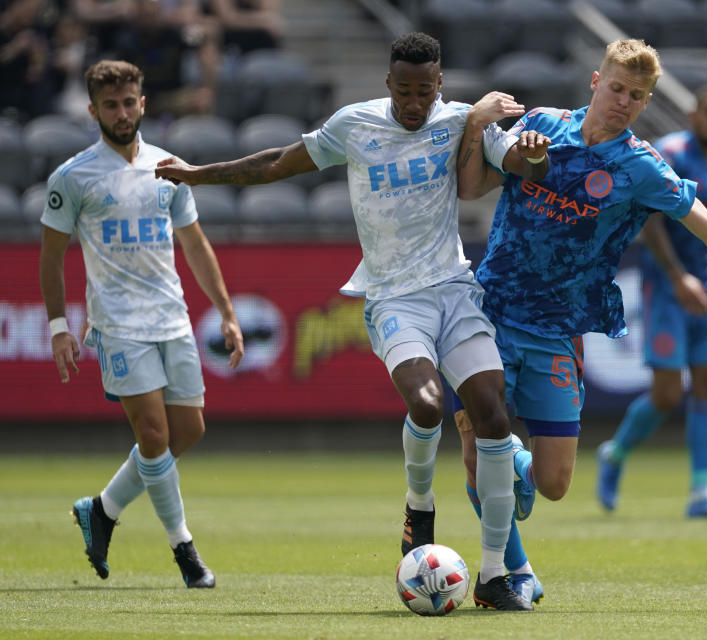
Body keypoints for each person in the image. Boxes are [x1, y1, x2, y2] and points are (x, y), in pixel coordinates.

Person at [154, 32, 551, 611]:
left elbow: (521, 166)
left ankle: (494, 577)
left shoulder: (463, 121)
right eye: (405, 91)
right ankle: (420, 505)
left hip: (454, 290)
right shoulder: (355, 125)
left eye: (425, 91)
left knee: (493, 414)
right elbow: (275, 163)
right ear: (389, 84)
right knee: (426, 404)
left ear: (439, 86)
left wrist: (534, 153)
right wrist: (198, 173)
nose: (414, 103)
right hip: (393, 297)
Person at [454, 39, 707, 603]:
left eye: (637, 96)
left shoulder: (641, 166)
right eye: (617, 88)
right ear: (596, 82)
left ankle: (512, 469)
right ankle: (514, 569)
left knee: (550, 484)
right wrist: (486, 130)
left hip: (557, 331)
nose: (623, 101)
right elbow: (471, 184)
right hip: (489, 315)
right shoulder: (541, 126)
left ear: (646, 103)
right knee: (478, 445)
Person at [38, 59, 245, 588]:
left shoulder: (169, 167)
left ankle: (102, 509)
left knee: (188, 430)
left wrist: (224, 310)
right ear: (93, 111)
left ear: (143, 103)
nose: (122, 112)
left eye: (129, 102)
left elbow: (194, 244)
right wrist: (60, 325)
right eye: (111, 105)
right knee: (153, 436)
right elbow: (51, 255)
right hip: (118, 323)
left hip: (171, 318)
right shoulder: (74, 175)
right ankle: (185, 552)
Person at [596, 84, 707, 519]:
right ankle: (615, 453)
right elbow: (652, 222)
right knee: (666, 395)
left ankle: (703, 492)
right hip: (667, 290)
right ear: (694, 112)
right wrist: (678, 276)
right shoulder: (669, 151)